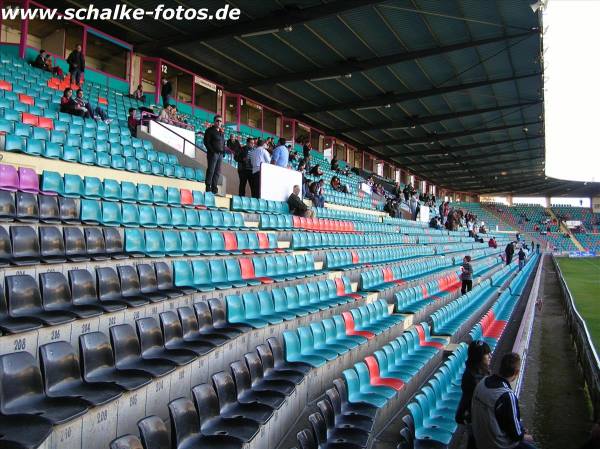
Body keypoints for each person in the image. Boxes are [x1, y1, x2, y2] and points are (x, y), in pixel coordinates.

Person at [471, 352, 537, 449]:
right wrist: (528, 436)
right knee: (531, 442)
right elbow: (516, 435)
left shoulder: (482, 382)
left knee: (519, 424)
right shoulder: (507, 396)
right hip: (496, 445)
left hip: (480, 439)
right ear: (517, 372)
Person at [456, 340, 492, 449]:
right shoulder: (473, 378)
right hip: (476, 418)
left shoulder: (478, 371)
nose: (490, 356)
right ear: (478, 358)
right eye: (487, 354)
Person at [203, 115, 225, 194]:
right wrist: (212, 151)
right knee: (211, 170)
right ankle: (208, 186)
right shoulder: (209, 130)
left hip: (220, 155)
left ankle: (214, 187)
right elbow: (206, 142)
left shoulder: (221, 132)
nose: (219, 122)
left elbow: (223, 143)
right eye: (217, 121)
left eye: (220, 121)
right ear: (214, 121)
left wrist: (223, 152)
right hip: (213, 154)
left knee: (217, 172)